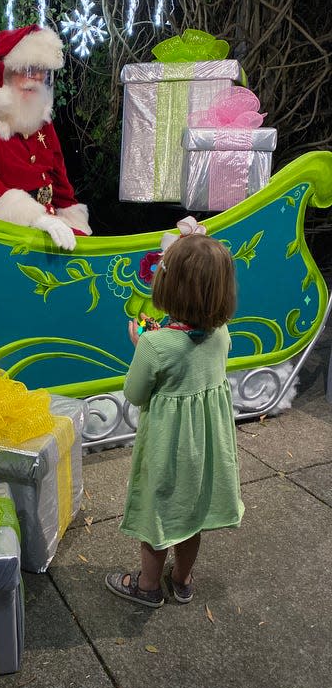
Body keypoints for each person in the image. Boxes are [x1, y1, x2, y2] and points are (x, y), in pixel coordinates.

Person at [105, 226, 244, 608]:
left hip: (168, 449)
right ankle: (182, 581)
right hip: (205, 449)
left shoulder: (154, 343)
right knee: (190, 514)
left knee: (157, 515)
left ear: (168, 287)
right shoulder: (221, 334)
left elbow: (134, 393)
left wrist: (140, 347)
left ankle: (147, 587)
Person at [0, 24, 91, 251]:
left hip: (43, 229)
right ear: (6, 71)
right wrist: (35, 219)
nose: (37, 77)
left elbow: (58, 179)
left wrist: (79, 227)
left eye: (43, 70)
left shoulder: (37, 112)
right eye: (29, 69)